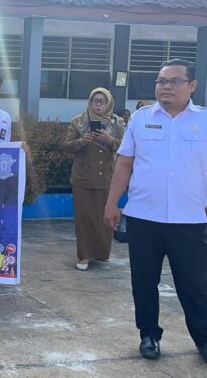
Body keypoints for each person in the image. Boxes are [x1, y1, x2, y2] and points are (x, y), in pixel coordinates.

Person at [104, 59, 207, 363]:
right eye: (161, 81)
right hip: (143, 217)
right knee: (144, 282)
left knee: (195, 284)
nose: (166, 87)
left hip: (189, 220)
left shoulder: (204, 121)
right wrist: (112, 203)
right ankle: (148, 335)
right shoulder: (140, 119)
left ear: (192, 86)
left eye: (174, 81)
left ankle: (203, 338)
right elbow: (124, 164)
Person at [62, 88, 125, 270]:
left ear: (109, 103)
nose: (98, 105)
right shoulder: (78, 121)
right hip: (83, 177)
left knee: (104, 218)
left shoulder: (118, 123)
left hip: (106, 177)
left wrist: (109, 139)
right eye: (95, 101)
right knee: (84, 218)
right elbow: (66, 146)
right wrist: (82, 141)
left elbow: (126, 147)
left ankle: (101, 253)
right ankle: (84, 255)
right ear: (89, 102)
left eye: (102, 101)